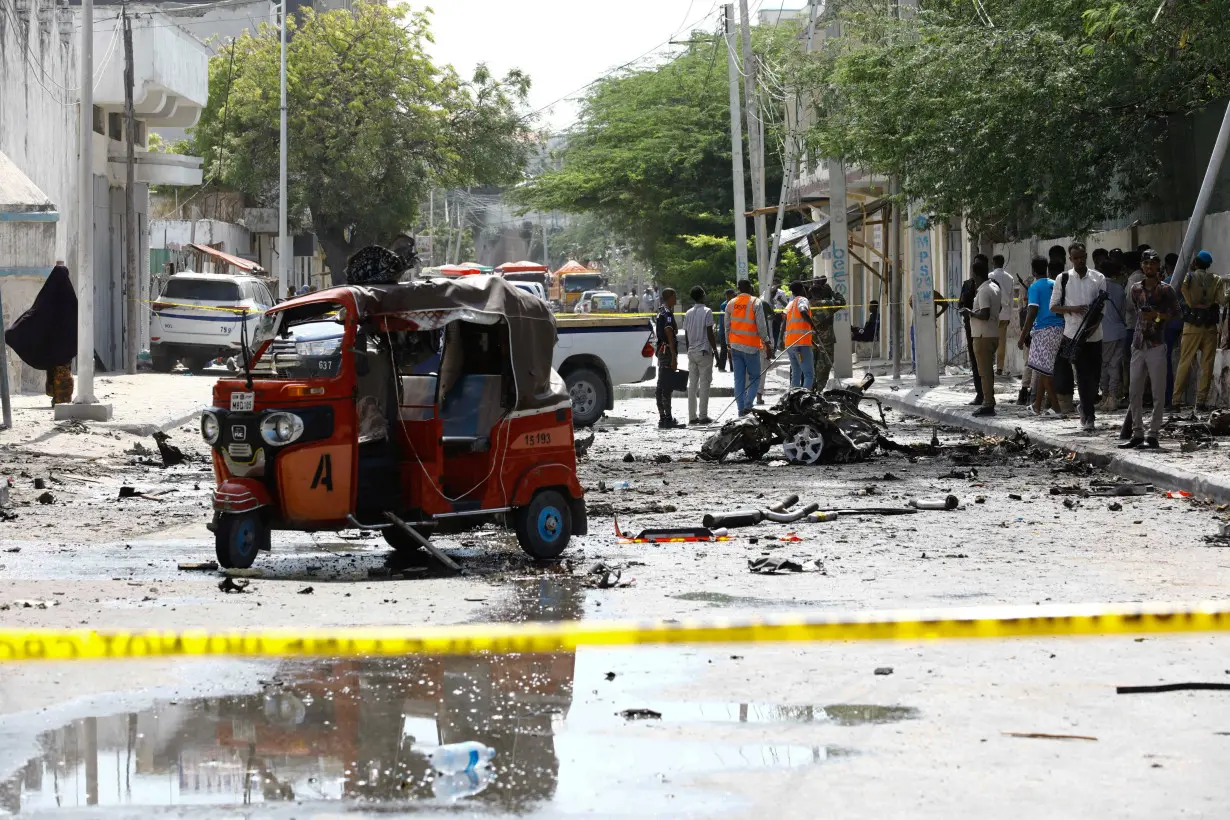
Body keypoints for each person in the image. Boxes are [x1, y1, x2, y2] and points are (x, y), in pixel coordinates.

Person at [1122, 250, 1181, 448]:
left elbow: (1175, 314)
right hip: (1138, 343)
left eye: (1153, 263)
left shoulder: (1166, 290)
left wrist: (1157, 316)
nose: (1149, 267)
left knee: (1158, 392)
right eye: (1146, 263)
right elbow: (1135, 313)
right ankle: (1137, 433)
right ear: (1142, 265)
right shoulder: (1135, 289)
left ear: (1158, 267)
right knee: (1134, 390)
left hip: (1156, 343)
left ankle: (1153, 434)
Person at [1050, 242, 1108, 433]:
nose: (1080, 260)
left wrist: (1094, 325)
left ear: (1086, 256)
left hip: (1094, 336)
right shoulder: (1063, 278)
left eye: (1082, 257)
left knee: (1095, 377)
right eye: (1076, 258)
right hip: (1073, 335)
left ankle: (1085, 407)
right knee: (1083, 377)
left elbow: (1102, 309)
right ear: (1070, 259)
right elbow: (1054, 306)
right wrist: (1072, 309)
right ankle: (1089, 416)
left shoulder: (1098, 278)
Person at [4, 263, 77, 407]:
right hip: (65, 347)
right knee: (62, 369)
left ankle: (57, 398)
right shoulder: (71, 300)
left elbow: (32, 315)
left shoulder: (46, 298)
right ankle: (62, 399)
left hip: (52, 346)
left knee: (54, 369)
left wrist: (12, 333)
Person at [1171, 250, 1224, 411]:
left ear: (1195, 263)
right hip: (1209, 327)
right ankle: (1200, 401)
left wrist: (1192, 304)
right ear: (1208, 265)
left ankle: (1176, 401)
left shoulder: (1190, 276)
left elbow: (1183, 290)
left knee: (1185, 362)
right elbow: (1222, 300)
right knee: (1207, 364)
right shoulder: (1217, 279)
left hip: (1192, 326)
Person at [1019, 256, 1063, 416]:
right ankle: (1037, 405)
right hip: (1058, 329)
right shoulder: (1054, 284)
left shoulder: (1035, 287)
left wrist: (1022, 336)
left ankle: (1056, 408)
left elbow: (1031, 313)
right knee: (1043, 368)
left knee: (1043, 370)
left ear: (1033, 270)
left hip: (1043, 330)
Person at [961, 255, 1001, 416]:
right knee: (988, 371)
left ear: (976, 276)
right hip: (992, 333)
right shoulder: (995, 287)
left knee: (983, 372)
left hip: (983, 336)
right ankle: (989, 399)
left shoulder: (984, 290)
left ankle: (988, 403)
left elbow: (984, 314)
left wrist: (970, 312)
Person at [726, 280, 771, 416]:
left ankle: (741, 410)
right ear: (750, 288)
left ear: (738, 288)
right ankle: (748, 405)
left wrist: (728, 345)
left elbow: (727, 327)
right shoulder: (755, 302)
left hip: (735, 347)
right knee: (755, 377)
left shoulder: (731, 303)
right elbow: (761, 326)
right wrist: (767, 343)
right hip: (751, 347)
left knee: (738, 379)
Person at [683, 286, 716, 425]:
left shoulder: (688, 313)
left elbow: (686, 334)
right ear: (702, 296)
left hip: (692, 352)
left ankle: (692, 417)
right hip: (704, 352)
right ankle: (703, 416)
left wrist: (688, 349)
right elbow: (710, 333)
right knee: (704, 385)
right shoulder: (707, 311)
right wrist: (716, 351)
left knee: (692, 385)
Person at [1097, 259, 1128, 411]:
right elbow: (1123, 311)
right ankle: (1113, 397)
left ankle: (1106, 397)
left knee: (1104, 365)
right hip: (1120, 330)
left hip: (1105, 331)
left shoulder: (1098, 288)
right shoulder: (1120, 288)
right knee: (1115, 365)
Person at [654, 288, 684, 429]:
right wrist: (674, 357)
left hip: (662, 350)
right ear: (670, 297)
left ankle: (663, 417)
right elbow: (670, 334)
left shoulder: (661, 311)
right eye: (675, 296)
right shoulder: (668, 314)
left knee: (661, 385)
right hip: (667, 352)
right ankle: (668, 418)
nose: (676, 299)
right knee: (666, 386)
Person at [810, 277, 845, 389]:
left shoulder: (806, 304)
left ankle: (811, 387)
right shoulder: (827, 304)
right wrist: (832, 292)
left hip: (810, 340)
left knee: (812, 365)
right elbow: (842, 301)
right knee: (825, 365)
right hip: (826, 341)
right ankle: (819, 388)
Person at [782, 280, 814, 389]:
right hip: (801, 344)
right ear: (801, 289)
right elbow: (803, 311)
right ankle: (804, 401)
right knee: (809, 374)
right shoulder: (802, 300)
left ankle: (793, 399)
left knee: (796, 373)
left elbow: (786, 322)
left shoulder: (790, 304)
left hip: (790, 343)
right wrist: (814, 326)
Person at [958, 272, 984, 405]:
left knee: (985, 362)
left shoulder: (989, 286)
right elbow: (960, 304)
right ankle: (980, 394)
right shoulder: (967, 285)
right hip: (970, 327)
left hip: (985, 328)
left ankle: (987, 394)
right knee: (974, 361)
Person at [988, 254, 1014, 375]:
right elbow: (1011, 297)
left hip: (993, 313)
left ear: (994, 263)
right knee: (1002, 342)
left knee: (990, 339)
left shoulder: (990, 276)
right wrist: (1009, 315)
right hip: (1004, 313)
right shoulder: (1010, 278)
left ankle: (988, 364)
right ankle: (999, 367)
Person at [715, 287, 735, 372]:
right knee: (724, 349)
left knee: (732, 350)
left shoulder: (732, 304)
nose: (729, 297)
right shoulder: (724, 305)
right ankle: (721, 367)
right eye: (728, 296)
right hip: (724, 331)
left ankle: (732, 368)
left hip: (731, 330)